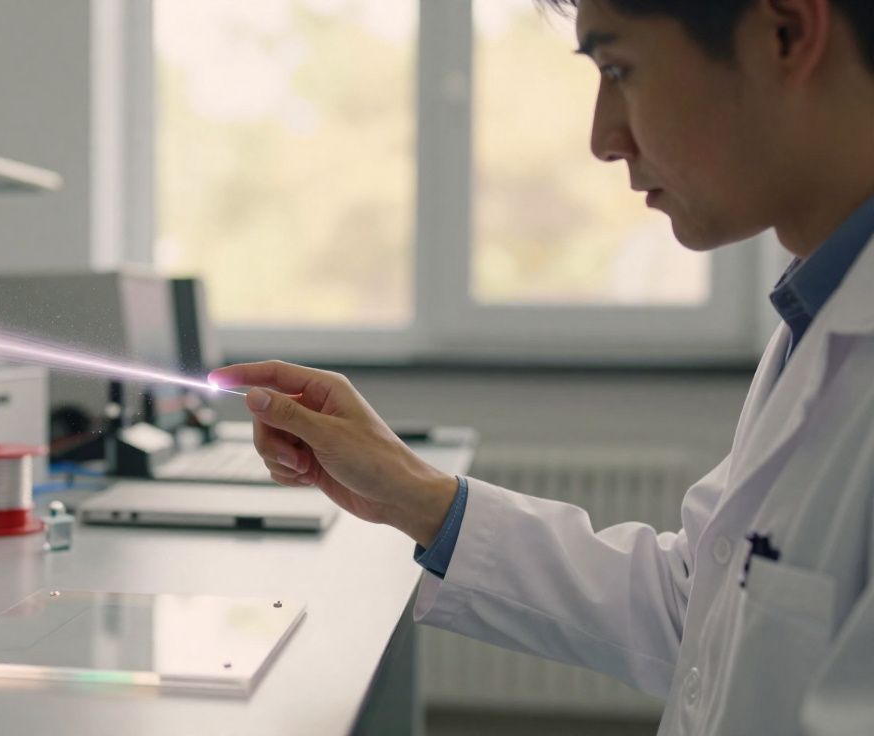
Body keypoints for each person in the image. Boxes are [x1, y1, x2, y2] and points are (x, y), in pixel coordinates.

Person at [208, 0, 874, 733]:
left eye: (619, 67)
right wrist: (411, 494)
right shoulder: (819, 312)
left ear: (785, 34)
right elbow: (701, 606)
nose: (602, 138)